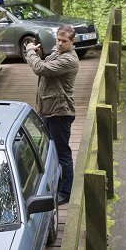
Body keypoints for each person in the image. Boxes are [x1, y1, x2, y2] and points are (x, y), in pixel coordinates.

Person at [25, 24, 80, 205]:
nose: (60, 43)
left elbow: (41, 69)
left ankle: (65, 192)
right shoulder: (58, 52)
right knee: (48, 150)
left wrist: (30, 52)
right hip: (48, 109)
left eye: (64, 41)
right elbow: (44, 66)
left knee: (63, 153)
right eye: (58, 39)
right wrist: (36, 54)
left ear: (72, 41)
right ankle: (53, 184)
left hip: (60, 112)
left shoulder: (69, 60)